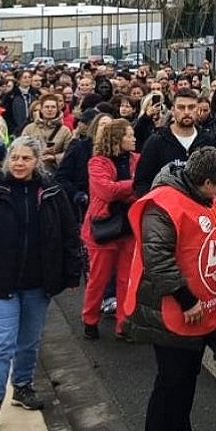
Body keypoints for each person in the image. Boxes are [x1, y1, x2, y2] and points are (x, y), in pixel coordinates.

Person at [123, 148, 216, 431]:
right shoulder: (163, 204)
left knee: (187, 374)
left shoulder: (204, 197)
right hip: (171, 307)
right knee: (169, 379)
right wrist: (186, 299)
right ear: (206, 182)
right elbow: (156, 257)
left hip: (199, 308)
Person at [0, 136, 82, 431]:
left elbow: (69, 235)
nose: (19, 163)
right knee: (1, 343)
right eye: (14, 158)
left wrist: (71, 273)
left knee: (28, 341)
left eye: (26, 158)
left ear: (37, 161)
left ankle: (22, 385)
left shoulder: (52, 194)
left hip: (37, 283)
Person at [81, 118, 140, 340]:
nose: (134, 139)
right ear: (117, 138)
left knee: (126, 279)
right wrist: (133, 186)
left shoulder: (137, 159)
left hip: (129, 227)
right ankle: (90, 318)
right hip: (104, 228)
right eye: (129, 135)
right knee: (99, 278)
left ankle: (123, 325)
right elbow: (106, 191)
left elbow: (143, 185)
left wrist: (123, 189)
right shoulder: (97, 162)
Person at [134, 90, 216, 197]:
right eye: (181, 107)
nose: (186, 112)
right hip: (166, 203)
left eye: (191, 107)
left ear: (197, 110)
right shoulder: (156, 141)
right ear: (173, 110)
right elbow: (141, 182)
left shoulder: (208, 141)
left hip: (200, 204)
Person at [20, 93, 73, 175]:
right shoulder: (29, 129)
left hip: (55, 173)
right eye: (47, 107)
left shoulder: (65, 131)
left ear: (57, 109)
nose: (50, 110)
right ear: (41, 109)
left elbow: (70, 153)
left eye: (53, 107)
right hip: (33, 172)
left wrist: (55, 157)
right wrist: (41, 152)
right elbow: (22, 149)